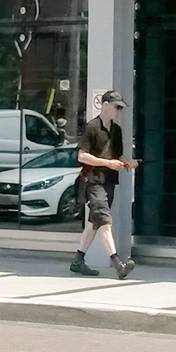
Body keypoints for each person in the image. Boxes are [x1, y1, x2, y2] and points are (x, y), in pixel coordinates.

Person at [71, 90, 138, 279]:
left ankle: (78, 261)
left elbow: (117, 156)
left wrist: (127, 162)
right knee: (106, 223)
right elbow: (81, 156)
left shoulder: (116, 130)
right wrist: (107, 163)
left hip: (109, 181)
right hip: (93, 181)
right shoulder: (91, 127)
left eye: (120, 108)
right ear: (105, 104)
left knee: (94, 224)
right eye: (116, 107)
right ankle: (119, 264)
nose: (118, 111)